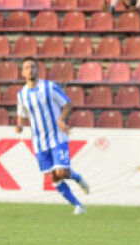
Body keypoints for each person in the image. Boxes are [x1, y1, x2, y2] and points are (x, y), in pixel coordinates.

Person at [15, 59, 90, 215]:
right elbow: (21, 113)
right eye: (27, 68)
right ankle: (78, 205)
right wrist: (19, 125)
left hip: (57, 137)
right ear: (22, 73)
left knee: (62, 173)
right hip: (39, 142)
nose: (30, 70)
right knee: (53, 177)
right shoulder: (22, 95)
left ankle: (76, 177)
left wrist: (61, 119)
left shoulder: (49, 87)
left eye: (33, 67)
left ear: (38, 70)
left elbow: (67, 104)